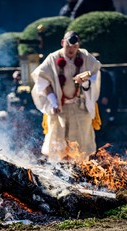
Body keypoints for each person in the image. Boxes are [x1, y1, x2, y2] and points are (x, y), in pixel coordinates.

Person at [31, 31, 101, 161]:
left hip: (80, 107)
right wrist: (53, 102)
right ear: (62, 43)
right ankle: (59, 171)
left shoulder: (85, 56)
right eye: (68, 46)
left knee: (81, 145)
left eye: (75, 47)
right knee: (58, 144)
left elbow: (95, 73)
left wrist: (86, 80)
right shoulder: (53, 58)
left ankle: (81, 171)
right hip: (59, 108)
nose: (71, 50)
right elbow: (41, 79)